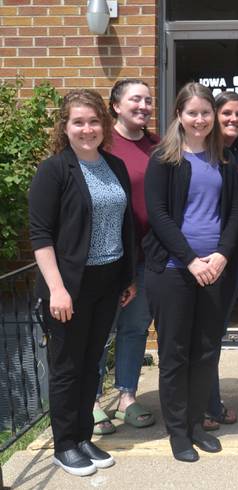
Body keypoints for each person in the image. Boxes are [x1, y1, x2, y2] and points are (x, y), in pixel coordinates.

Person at [29, 89, 136, 476]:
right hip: (70, 285)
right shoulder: (55, 170)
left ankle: (84, 435)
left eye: (93, 121)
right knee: (67, 366)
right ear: (65, 126)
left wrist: (128, 277)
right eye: (78, 122)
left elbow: (125, 226)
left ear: (104, 125)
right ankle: (65, 444)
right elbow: (40, 235)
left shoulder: (114, 165)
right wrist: (56, 288)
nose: (87, 129)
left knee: (92, 364)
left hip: (109, 280)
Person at [143, 82, 238, 462]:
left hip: (215, 269)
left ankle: (198, 423)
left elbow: (234, 213)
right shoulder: (163, 159)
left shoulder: (225, 158)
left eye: (206, 112)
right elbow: (159, 215)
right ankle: (178, 431)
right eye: (192, 113)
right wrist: (190, 259)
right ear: (179, 116)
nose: (200, 120)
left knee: (206, 351)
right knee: (175, 352)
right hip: (173, 269)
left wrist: (221, 256)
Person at [93, 79, 158, 435]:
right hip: (109, 255)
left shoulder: (156, 145)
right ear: (116, 106)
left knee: (134, 328)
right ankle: (90, 400)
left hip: (146, 256)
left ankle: (126, 396)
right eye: (136, 100)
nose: (144, 106)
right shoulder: (102, 145)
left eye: (148, 100)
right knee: (100, 330)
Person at [202, 91, 238, 431]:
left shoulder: (234, 155)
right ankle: (205, 406)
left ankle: (210, 400)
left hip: (234, 256)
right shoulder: (205, 157)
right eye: (227, 114)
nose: (234, 119)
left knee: (215, 330)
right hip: (211, 256)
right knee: (205, 333)